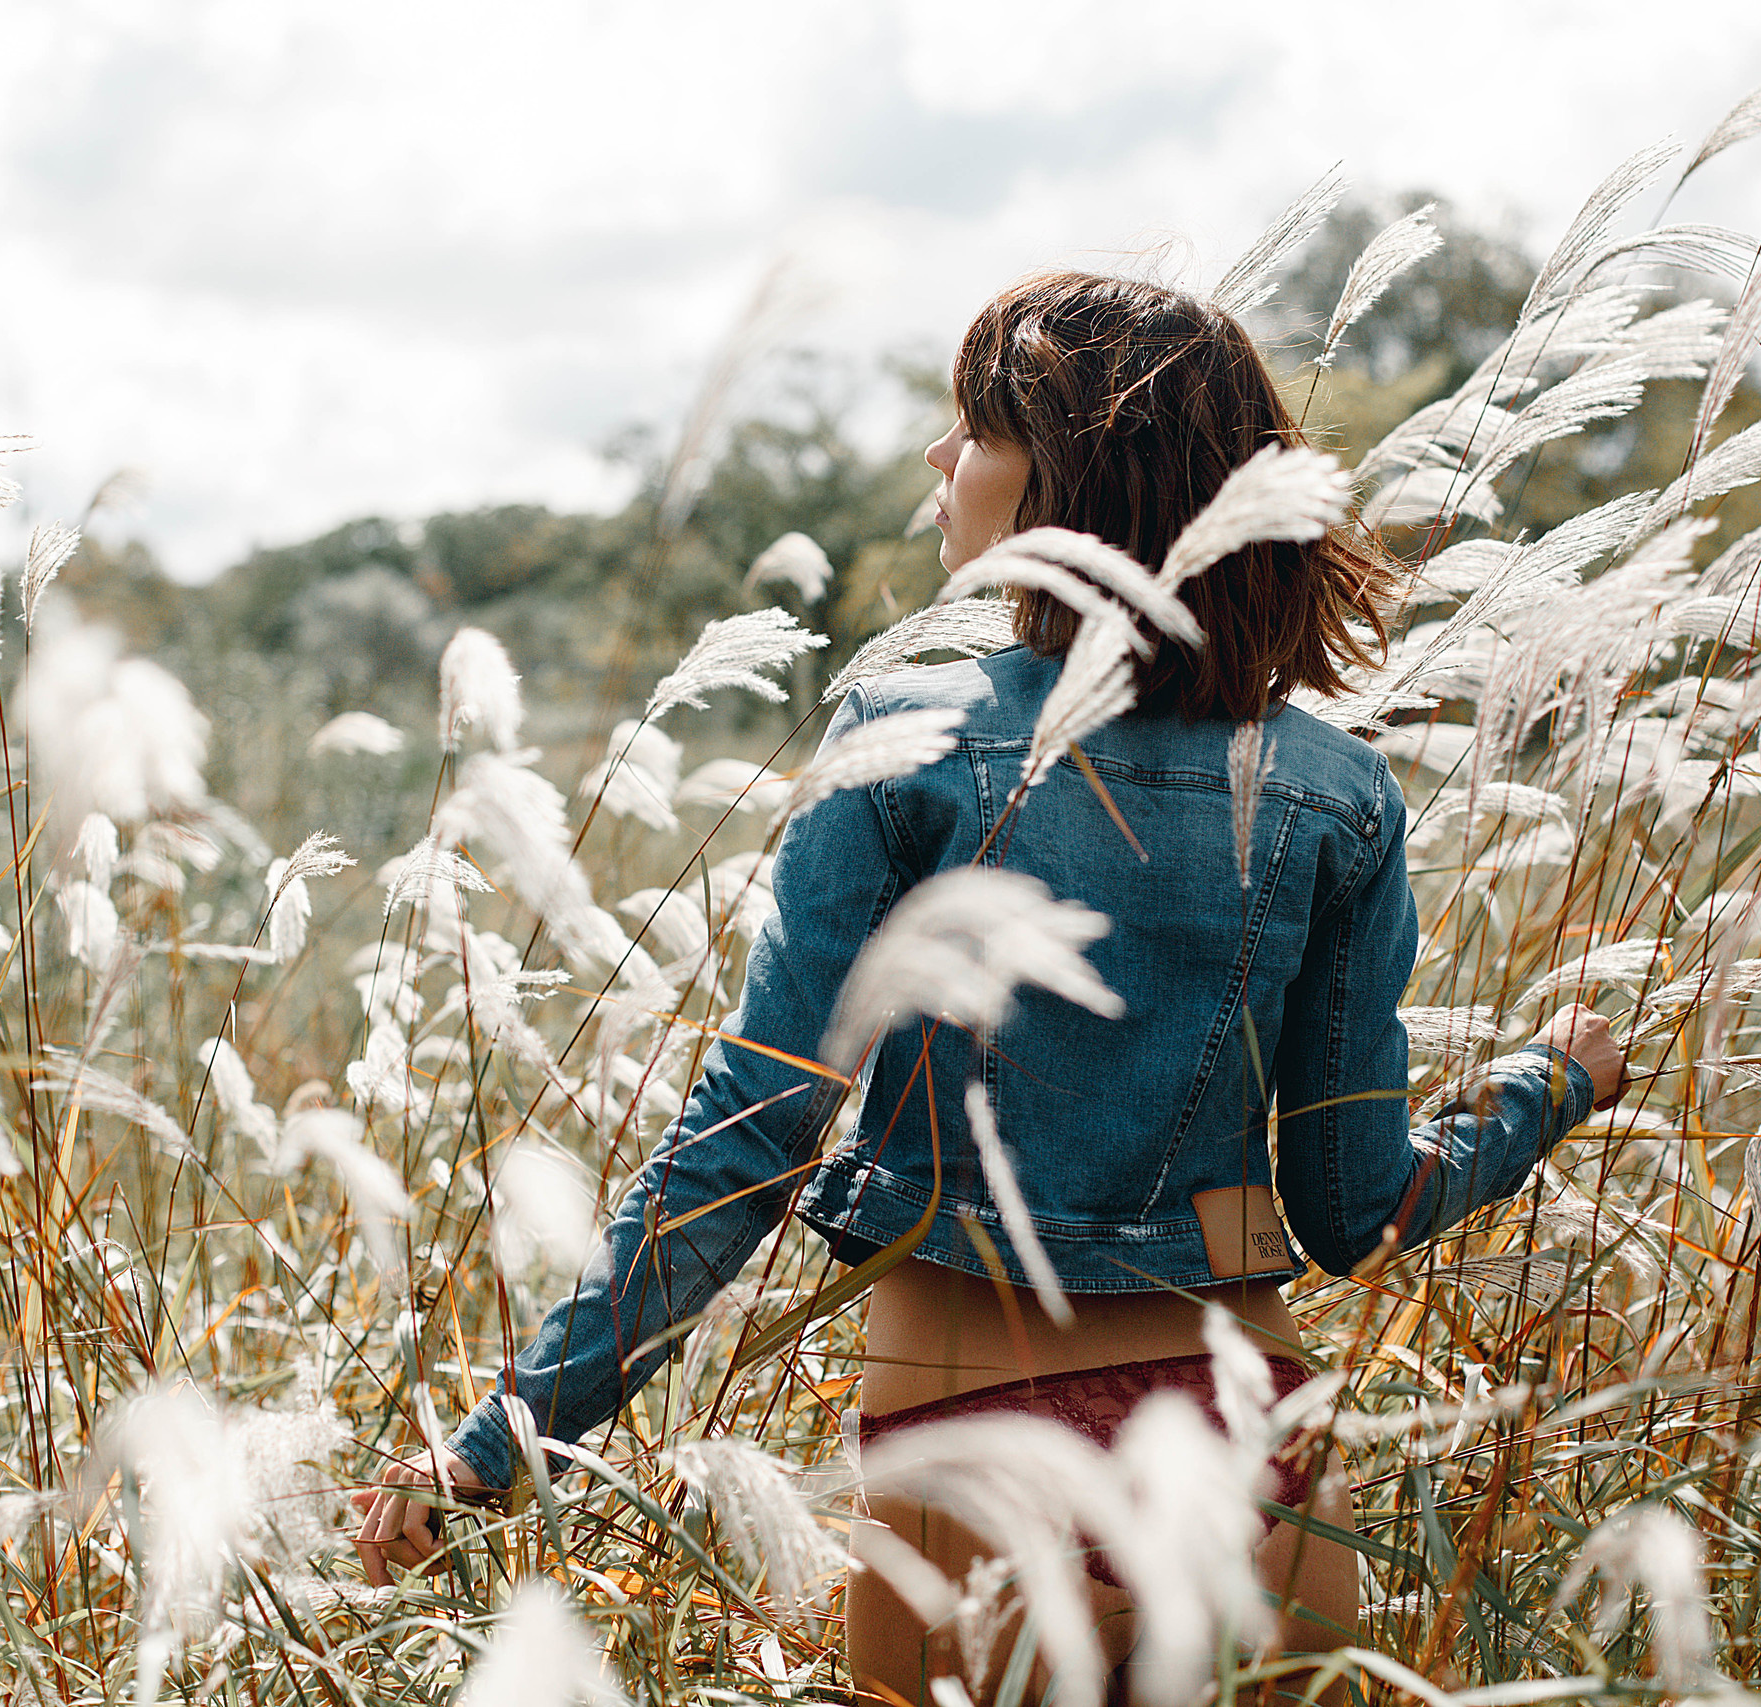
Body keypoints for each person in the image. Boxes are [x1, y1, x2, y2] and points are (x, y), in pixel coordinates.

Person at [353, 271, 1627, 1702]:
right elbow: (1356, 1210)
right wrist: (1551, 1086)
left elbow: (749, 1141)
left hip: (971, 1444)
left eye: (974, 427)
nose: (937, 462)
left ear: (1075, 478)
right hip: (1250, 1454)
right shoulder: (1335, 797)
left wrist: (505, 1437)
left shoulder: (906, 741)